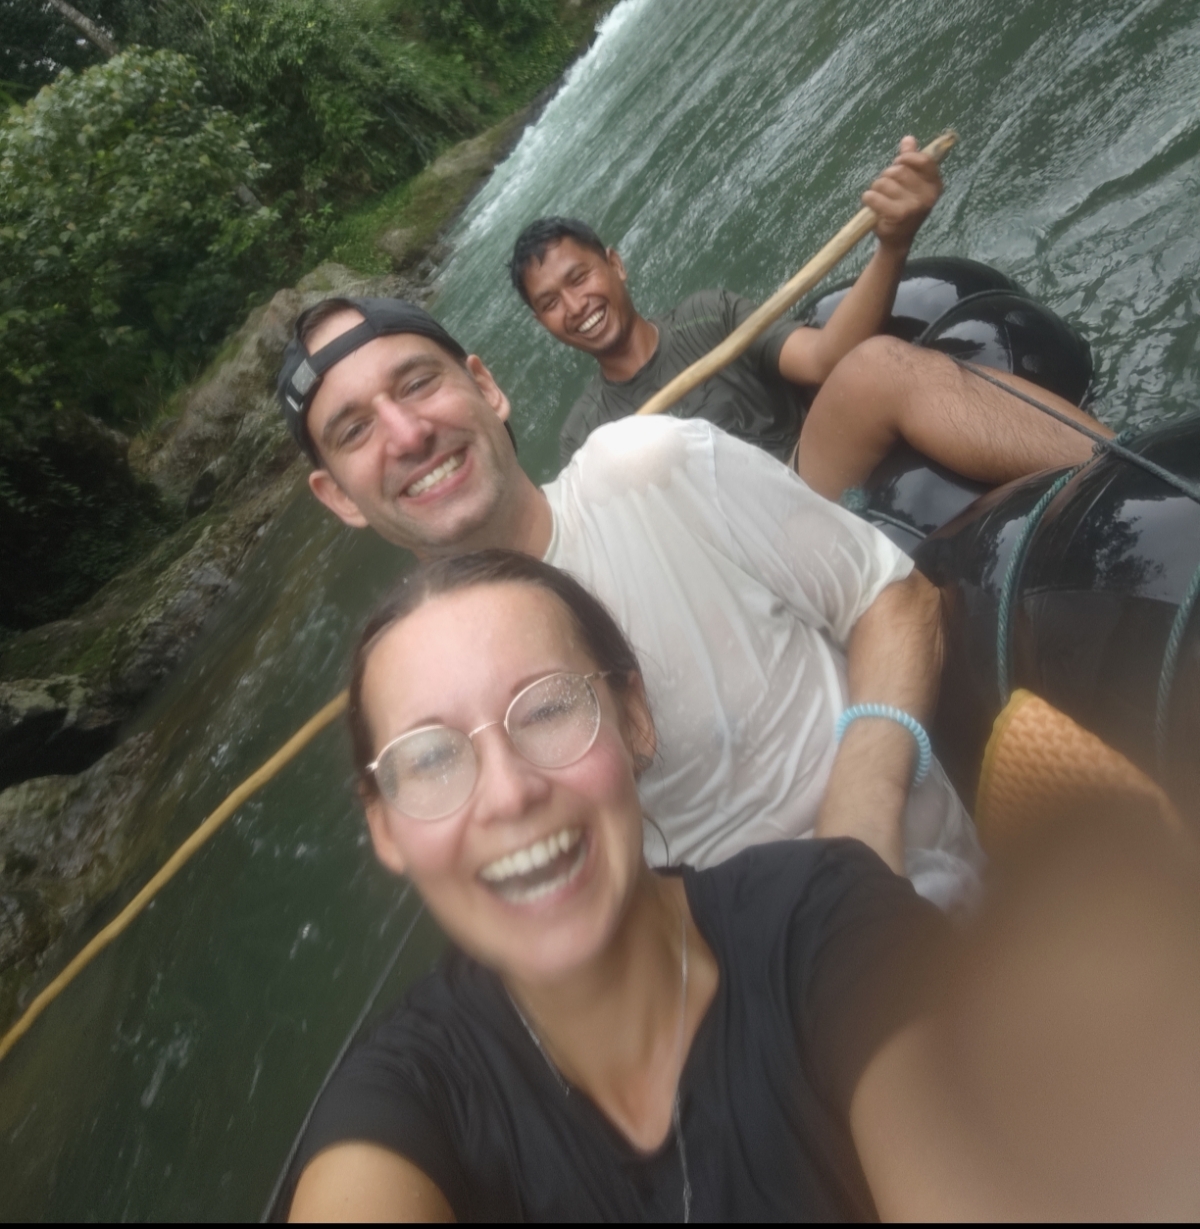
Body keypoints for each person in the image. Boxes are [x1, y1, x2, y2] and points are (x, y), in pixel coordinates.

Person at [285, 550, 946, 1221]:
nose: (509, 794)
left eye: (547, 709)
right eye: (430, 757)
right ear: (384, 825)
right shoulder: (398, 1102)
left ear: (635, 718)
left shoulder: (827, 926)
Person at [276, 297, 981, 904]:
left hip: (926, 894)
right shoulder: (434, 700)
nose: (408, 434)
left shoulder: (648, 469)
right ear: (338, 496)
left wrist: (861, 820)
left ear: (486, 387)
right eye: (355, 430)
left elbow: (893, 596)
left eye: (418, 383)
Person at [510, 154, 1109, 493]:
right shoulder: (583, 439)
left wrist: (892, 243)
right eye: (550, 302)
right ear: (543, 323)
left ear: (615, 265)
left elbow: (826, 362)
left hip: (804, 481)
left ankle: (1116, 465)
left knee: (877, 366)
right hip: (736, 557)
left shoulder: (707, 316)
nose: (575, 305)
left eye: (579, 277)